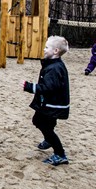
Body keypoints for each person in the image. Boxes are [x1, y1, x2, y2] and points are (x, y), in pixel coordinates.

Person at [22, 35, 70, 166]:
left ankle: (60, 154)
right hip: (51, 103)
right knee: (46, 123)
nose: (44, 49)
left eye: (47, 47)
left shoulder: (54, 68)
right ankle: (49, 139)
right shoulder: (53, 64)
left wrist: (29, 87)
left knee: (40, 122)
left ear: (55, 51)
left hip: (52, 104)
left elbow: (49, 87)